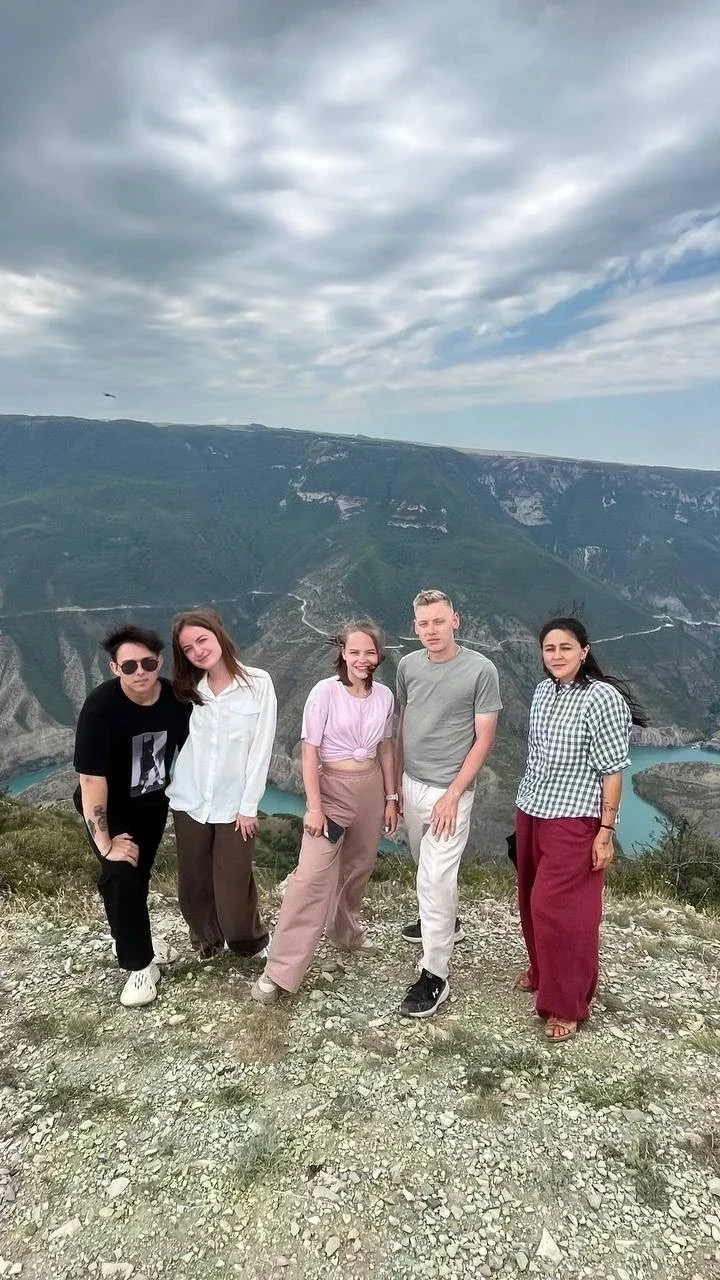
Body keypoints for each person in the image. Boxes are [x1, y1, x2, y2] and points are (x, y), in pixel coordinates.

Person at [515, 616, 646, 1041]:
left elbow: (613, 771)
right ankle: (542, 971)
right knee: (531, 898)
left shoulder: (602, 698)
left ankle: (566, 1003)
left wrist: (605, 831)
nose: (556, 655)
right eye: (549, 648)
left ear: (584, 651)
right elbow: (537, 756)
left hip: (575, 817)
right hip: (533, 808)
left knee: (562, 911)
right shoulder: (543, 691)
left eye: (565, 647)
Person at [251, 622, 397, 1004]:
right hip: (331, 790)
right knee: (311, 877)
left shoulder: (384, 696)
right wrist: (313, 807)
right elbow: (309, 750)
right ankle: (279, 970)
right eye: (355, 652)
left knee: (359, 867)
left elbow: (385, 747)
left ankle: (345, 933)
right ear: (343, 653)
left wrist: (391, 797)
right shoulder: (325, 692)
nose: (362, 659)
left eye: (369, 652)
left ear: (379, 656)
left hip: (370, 788)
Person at [395, 589, 502, 1017]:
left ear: (455, 620)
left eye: (439, 621)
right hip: (411, 784)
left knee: (435, 879)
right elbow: (403, 724)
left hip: (450, 792)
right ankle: (445, 923)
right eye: (423, 623)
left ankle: (434, 975)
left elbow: (485, 739)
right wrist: (394, 790)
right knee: (423, 864)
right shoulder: (407, 666)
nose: (431, 630)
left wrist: (453, 795)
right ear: (415, 627)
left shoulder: (481, 669)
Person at [73, 625, 191, 1007]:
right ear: (114, 668)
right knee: (122, 871)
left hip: (152, 804)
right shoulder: (100, 708)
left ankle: (130, 938)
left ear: (160, 662)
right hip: (109, 805)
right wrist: (105, 842)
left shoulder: (176, 701)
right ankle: (140, 964)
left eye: (148, 663)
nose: (140, 671)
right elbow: (91, 780)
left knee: (133, 878)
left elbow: (194, 749)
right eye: (129, 666)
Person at [167, 610, 276, 961]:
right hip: (190, 799)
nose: (197, 651)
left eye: (202, 640)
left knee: (232, 884)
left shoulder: (258, 684)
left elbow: (261, 748)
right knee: (193, 885)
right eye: (188, 648)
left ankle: (248, 942)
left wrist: (249, 805)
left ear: (218, 635)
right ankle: (207, 942)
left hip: (235, 806)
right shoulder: (188, 690)